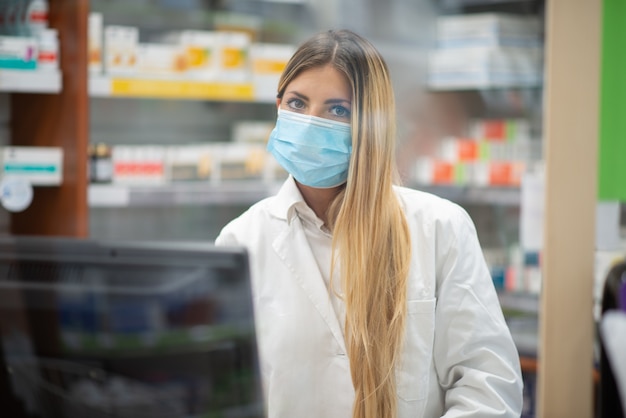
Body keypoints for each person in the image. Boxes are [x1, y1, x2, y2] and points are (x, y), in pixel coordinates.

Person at [215, 29, 523, 418]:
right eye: (297, 103)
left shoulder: (440, 228)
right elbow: (225, 391)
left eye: (337, 110)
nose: (310, 124)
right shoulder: (241, 240)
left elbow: (487, 385)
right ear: (278, 106)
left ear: (371, 124)